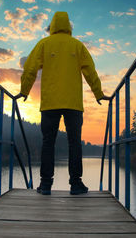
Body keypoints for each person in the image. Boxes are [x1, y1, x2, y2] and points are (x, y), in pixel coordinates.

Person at [16, 11, 110, 195]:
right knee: (74, 143)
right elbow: (90, 71)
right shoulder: (77, 45)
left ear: (52, 26)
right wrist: (98, 93)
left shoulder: (43, 44)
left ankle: (45, 185)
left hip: (50, 103)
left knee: (47, 142)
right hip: (73, 104)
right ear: (68, 26)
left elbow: (30, 69)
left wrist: (24, 91)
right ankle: (76, 184)